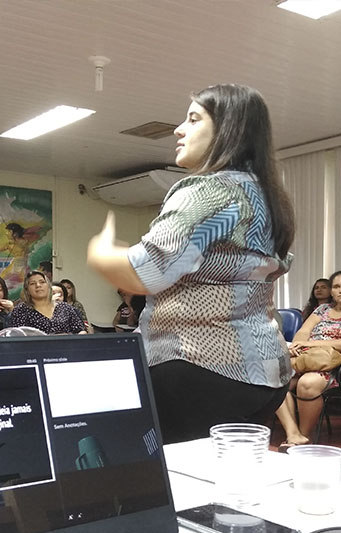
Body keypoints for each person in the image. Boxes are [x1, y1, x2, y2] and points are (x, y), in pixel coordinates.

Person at [87, 83, 295, 444]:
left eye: (193, 119)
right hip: (266, 375)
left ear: (229, 131)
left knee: (181, 487)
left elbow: (143, 274)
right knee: (229, 486)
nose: (178, 130)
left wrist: (100, 252)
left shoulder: (209, 190)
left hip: (201, 369)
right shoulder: (266, 196)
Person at [275, 270, 341, 447]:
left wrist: (315, 345)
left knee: (307, 383)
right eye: (336, 286)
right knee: (274, 380)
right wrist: (297, 346)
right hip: (309, 359)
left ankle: (304, 435)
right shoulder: (323, 309)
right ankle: (293, 433)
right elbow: (303, 332)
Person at [4, 271, 85, 335]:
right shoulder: (20, 310)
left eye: (42, 282)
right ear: (27, 290)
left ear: (49, 286)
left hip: (67, 351)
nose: (38, 285)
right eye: (32, 283)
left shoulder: (65, 307)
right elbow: (17, 337)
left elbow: (81, 331)